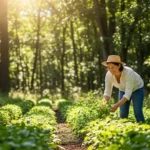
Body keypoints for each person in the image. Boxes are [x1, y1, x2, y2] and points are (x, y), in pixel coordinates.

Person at [101, 55, 145, 122]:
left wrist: (116, 106)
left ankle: (143, 130)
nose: (110, 70)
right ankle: (124, 130)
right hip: (123, 90)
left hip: (137, 89)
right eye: (109, 68)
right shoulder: (108, 75)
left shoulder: (128, 72)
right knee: (123, 114)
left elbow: (127, 94)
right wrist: (103, 105)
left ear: (119, 65)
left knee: (137, 112)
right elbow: (107, 91)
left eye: (113, 67)